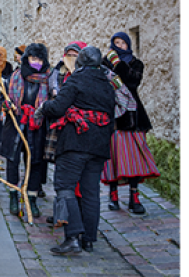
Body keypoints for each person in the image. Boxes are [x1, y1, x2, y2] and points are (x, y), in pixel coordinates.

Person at [36, 46, 116, 254]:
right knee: (91, 192)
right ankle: (88, 239)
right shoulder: (107, 85)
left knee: (64, 186)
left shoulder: (76, 80)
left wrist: (44, 107)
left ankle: (72, 237)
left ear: (80, 62)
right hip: (98, 145)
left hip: (75, 143)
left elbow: (58, 107)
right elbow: (112, 117)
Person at [101, 32, 160, 214]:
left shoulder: (136, 63)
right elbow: (103, 84)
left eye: (123, 43)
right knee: (114, 158)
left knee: (135, 159)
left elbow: (132, 82)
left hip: (133, 117)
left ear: (128, 44)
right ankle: (113, 196)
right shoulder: (105, 64)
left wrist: (118, 64)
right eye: (116, 43)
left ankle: (134, 197)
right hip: (114, 116)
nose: (120, 46)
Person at [0, 43, 50, 218]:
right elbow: (3, 98)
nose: (36, 62)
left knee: (35, 162)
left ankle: (31, 198)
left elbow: (53, 101)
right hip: (15, 124)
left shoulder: (48, 78)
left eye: (39, 59)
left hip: (36, 126)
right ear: (26, 58)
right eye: (33, 58)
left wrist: (43, 109)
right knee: (12, 162)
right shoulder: (15, 76)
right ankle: (14, 196)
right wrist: (6, 105)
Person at [44, 41, 87, 223]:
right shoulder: (57, 73)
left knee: (78, 179)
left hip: (78, 130)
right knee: (60, 176)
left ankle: (77, 216)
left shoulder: (86, 76)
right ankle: (60, 215)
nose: (71, 59)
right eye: (68, 55)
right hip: (59, 128)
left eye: (75, 55)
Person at [0, 46, 14, 151]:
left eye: (0, 55)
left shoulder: (8, 67)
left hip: (5, 98)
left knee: (3, 121)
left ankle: (1, 141)